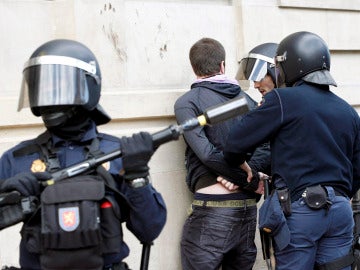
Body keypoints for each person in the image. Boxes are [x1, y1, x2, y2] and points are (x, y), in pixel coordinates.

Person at [0, 39, 167, 270]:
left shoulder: (117, 153)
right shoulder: (17, 159)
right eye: (43, 87)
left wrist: (138, 175)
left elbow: (149, 230)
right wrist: (8, 196)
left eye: (58, 85)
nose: (49, 94)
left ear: (89, 87)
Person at [223, 31, 360, 270]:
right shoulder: (347, 111)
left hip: (301, 210)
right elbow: (357, 168)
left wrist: (243, 165)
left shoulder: (283, 99)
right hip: (340, 212)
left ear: (289, 66)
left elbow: (235, 143)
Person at [174, 37, 270, 270]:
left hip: (213, 210)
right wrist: (249, 179)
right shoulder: (247, 100)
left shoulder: (186, 103)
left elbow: (206, 154)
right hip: (247, 209)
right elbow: (266, 147)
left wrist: (237, 178)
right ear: (222, 66)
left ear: (194, 68)